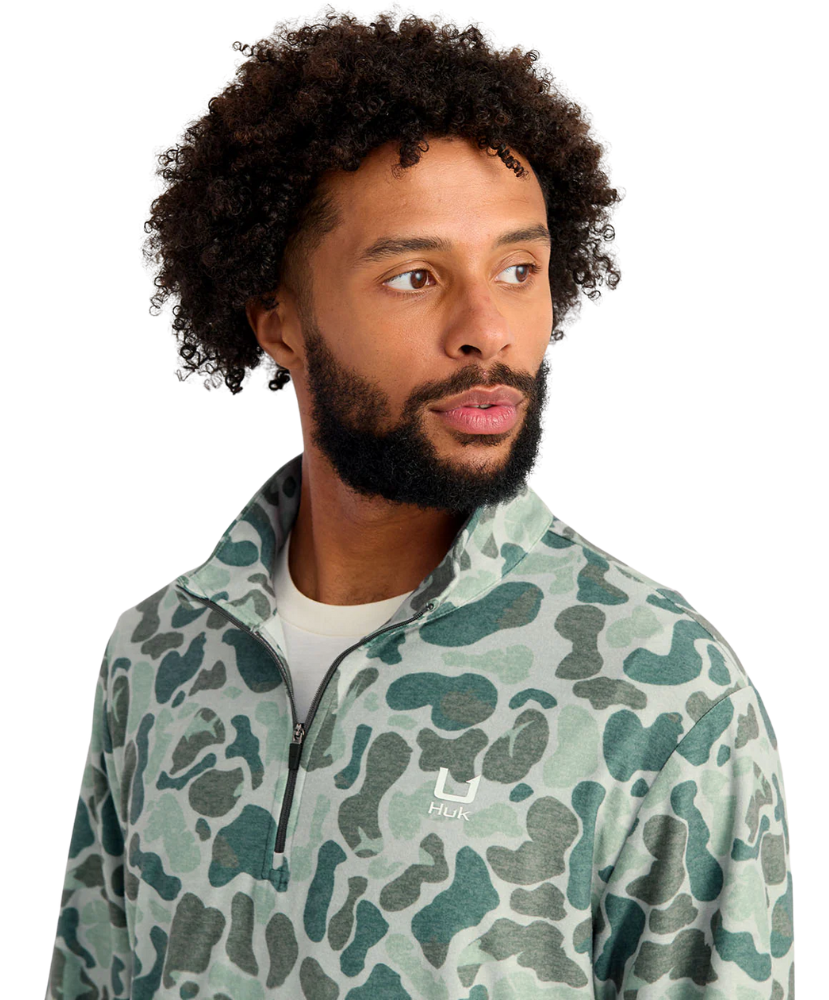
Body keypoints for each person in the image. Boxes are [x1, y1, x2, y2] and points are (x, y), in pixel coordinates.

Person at [48, 5, 794, 997]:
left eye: (519, 269)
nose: (488, 329)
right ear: (276, 322)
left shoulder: (659, 684)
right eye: (413, 276)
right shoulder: (155, 653)